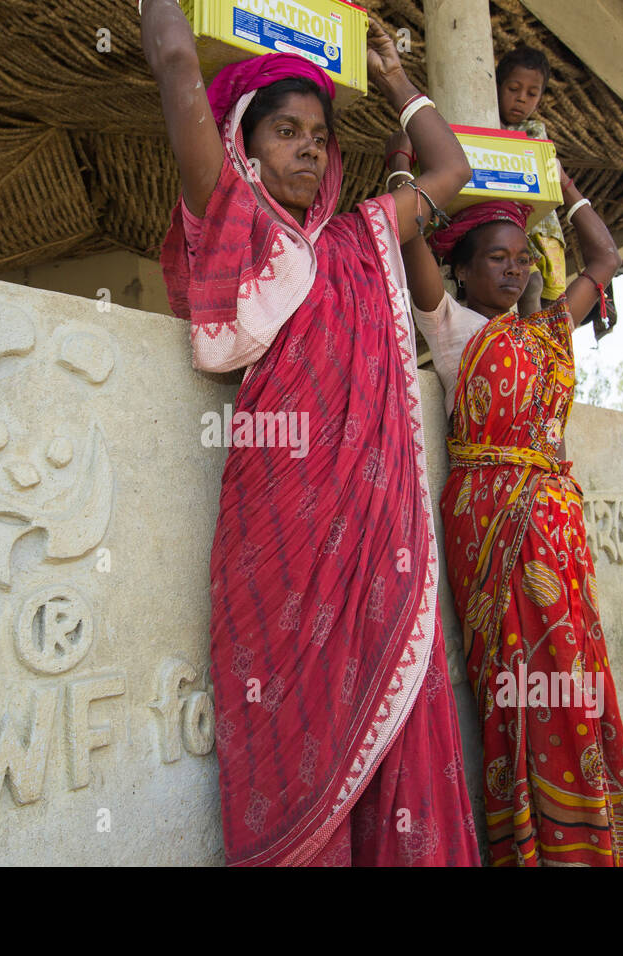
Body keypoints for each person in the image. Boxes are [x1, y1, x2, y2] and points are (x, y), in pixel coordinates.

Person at [141, 2, 479, 866]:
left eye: (320, 136)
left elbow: (451, 167)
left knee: (390, 724)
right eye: (284, 131)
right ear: (242, 146)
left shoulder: (363, 239)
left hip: (378, 548)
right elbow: (179, 67)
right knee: (293, 743)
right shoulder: (239, 229)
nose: (307, 148)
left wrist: (395, 72)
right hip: (279, 538)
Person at [396, 165, 623, 865]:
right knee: (520, 679)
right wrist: (402, 139)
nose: (514, 270)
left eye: (523, 259)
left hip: (556, 526)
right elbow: (410, 228)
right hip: (492, 521)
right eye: (497, 259)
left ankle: (589, 838)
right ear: (464, 271)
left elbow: (605, 259)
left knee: (576, 673)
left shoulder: (547, 331)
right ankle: (535, 845)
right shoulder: (448, 327)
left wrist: (561, 184)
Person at [497, 45, 567, 317]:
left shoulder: (535, 131)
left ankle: (543, 351)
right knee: (532, 283)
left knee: (552, 294)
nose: (521, 99)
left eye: (531, 93)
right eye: (513, 89)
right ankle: (526, 349)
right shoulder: (482, 123)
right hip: (514, 226)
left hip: (541, 228)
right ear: (498, 86)